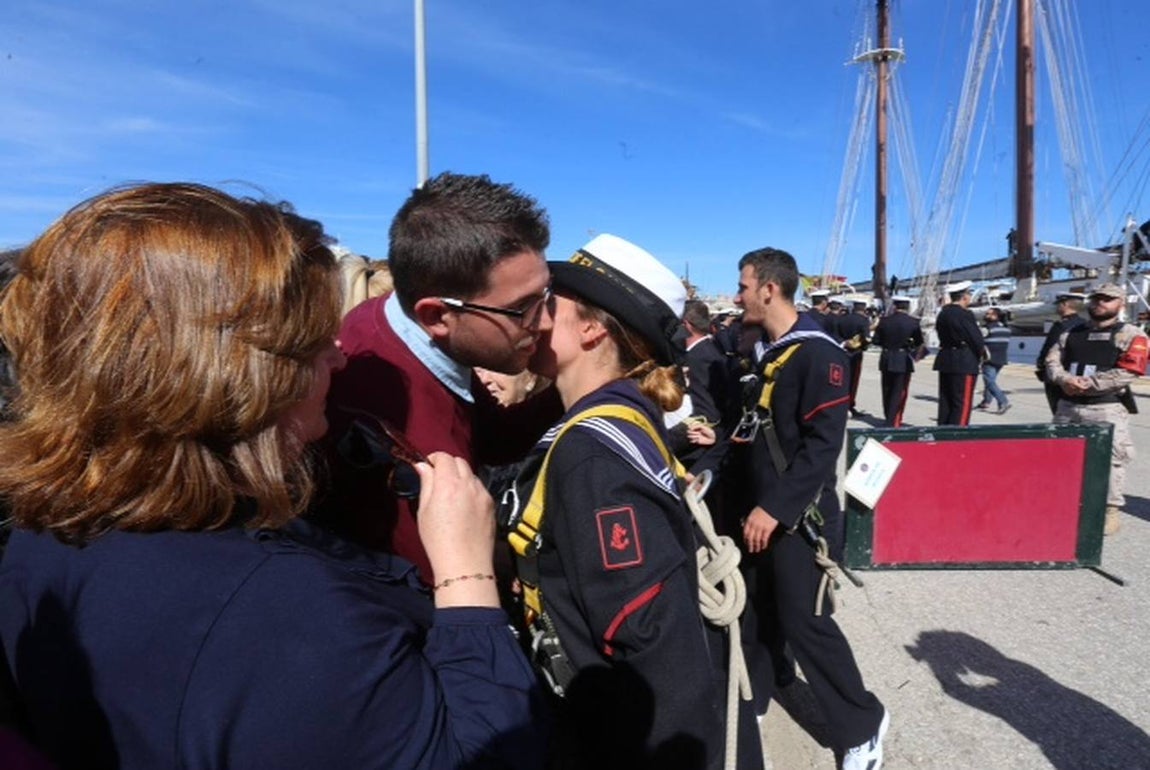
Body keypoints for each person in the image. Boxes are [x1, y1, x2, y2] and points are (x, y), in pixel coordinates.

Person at [0, 183, 547, 770]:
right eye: (313, 344)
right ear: (238, 381)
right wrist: (466, 578)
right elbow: (484, 754)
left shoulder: (47, 528)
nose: (341, 358)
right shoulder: (285, 619)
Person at [503, 234, 761, 770]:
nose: (533, 316)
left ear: (593, 328)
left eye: (550, 303)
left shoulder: (593, 455)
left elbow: (656, 655)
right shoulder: (615, 420)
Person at [312, 172, 561, 582]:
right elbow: (436, 587)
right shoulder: (393, 437)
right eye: (524, 308)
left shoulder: (398, 327)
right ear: (437, 316)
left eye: (546, 296)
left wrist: (577, 383)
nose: (546, 321)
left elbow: (492, 437)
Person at [727, 247, 888, 770]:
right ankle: (760, 690)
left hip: (799, 518)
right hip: (759, 511)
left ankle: (862, 723)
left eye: (744, 285)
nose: (738, 295)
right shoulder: (768, 349)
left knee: (807, 621)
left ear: (769, 289)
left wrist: (775, 509)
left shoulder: (819, 354)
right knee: (757, 607)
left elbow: (822, 446)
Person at [1045, 282, 1149, 535]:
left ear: (1120, 304)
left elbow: (1130, 370)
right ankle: (1064, 506)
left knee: (1112, 461)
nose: (1100, 303)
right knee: (1060, 457)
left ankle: (1109, 511)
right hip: (1068, 406)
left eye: (1107, 299)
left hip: (1106, 407)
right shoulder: (1071, 332)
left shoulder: (1133, 335)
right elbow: (1052, 360)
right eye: (1096, 299)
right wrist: (1064, 380)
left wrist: (1090, 385)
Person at [933, 281, 987, 426]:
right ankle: (958, 434)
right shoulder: (965, 314)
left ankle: (943, 431)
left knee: (946, 400)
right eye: (969, 294)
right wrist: (981, 354)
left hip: (945, 358)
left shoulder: (943, 314)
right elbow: (976, 339)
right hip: (964, 360)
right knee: (962, 403)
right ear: (964, 297)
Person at [871, 296, 924, 427]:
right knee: (899, 391)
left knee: (887, 390)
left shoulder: (884, 321)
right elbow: (919, 342)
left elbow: (876, 341)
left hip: (887, 356)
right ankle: (894, 420)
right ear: (907, 307)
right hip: (902, 358)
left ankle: (888, 417)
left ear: (895, 306)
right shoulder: (913, 322)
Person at [1035, 292, 1086, 414]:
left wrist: (1041, 366)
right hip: (1077, 374)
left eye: (1058, 304)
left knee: (1059, 412)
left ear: (1065, 304)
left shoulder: (1061, 326)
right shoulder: (1085, 324)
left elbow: (1049, 349)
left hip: (1058, 376)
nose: (1057, 307)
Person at [837, 298, 872, 416]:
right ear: (864, 308)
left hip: (842, 351)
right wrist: (865, 346)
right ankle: (849, 405)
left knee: (841, 380)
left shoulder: (842, 318)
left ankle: (839, 404)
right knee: (853, 381)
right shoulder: (864, 320)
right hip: (856, 353)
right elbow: (867, 338)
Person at [975, 307, 1012, 414]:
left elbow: (978, 341)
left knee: (989, 381)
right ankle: (986, 401)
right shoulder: (1007, 329)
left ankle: (1003, 401)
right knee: (991, 380)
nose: (985, 315)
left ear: (995, 316)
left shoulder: (986, 329)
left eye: (988, 314)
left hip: (989, 359)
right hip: (1001, 359)